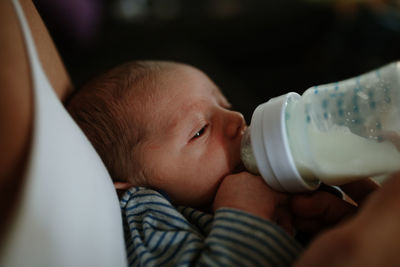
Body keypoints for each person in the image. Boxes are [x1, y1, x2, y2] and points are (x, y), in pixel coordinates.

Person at [2, 0, 400, 266]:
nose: (236, 120)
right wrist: (245, 216)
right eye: (199, 131)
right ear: (129, 187)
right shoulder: (146, 214)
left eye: (224, 103)